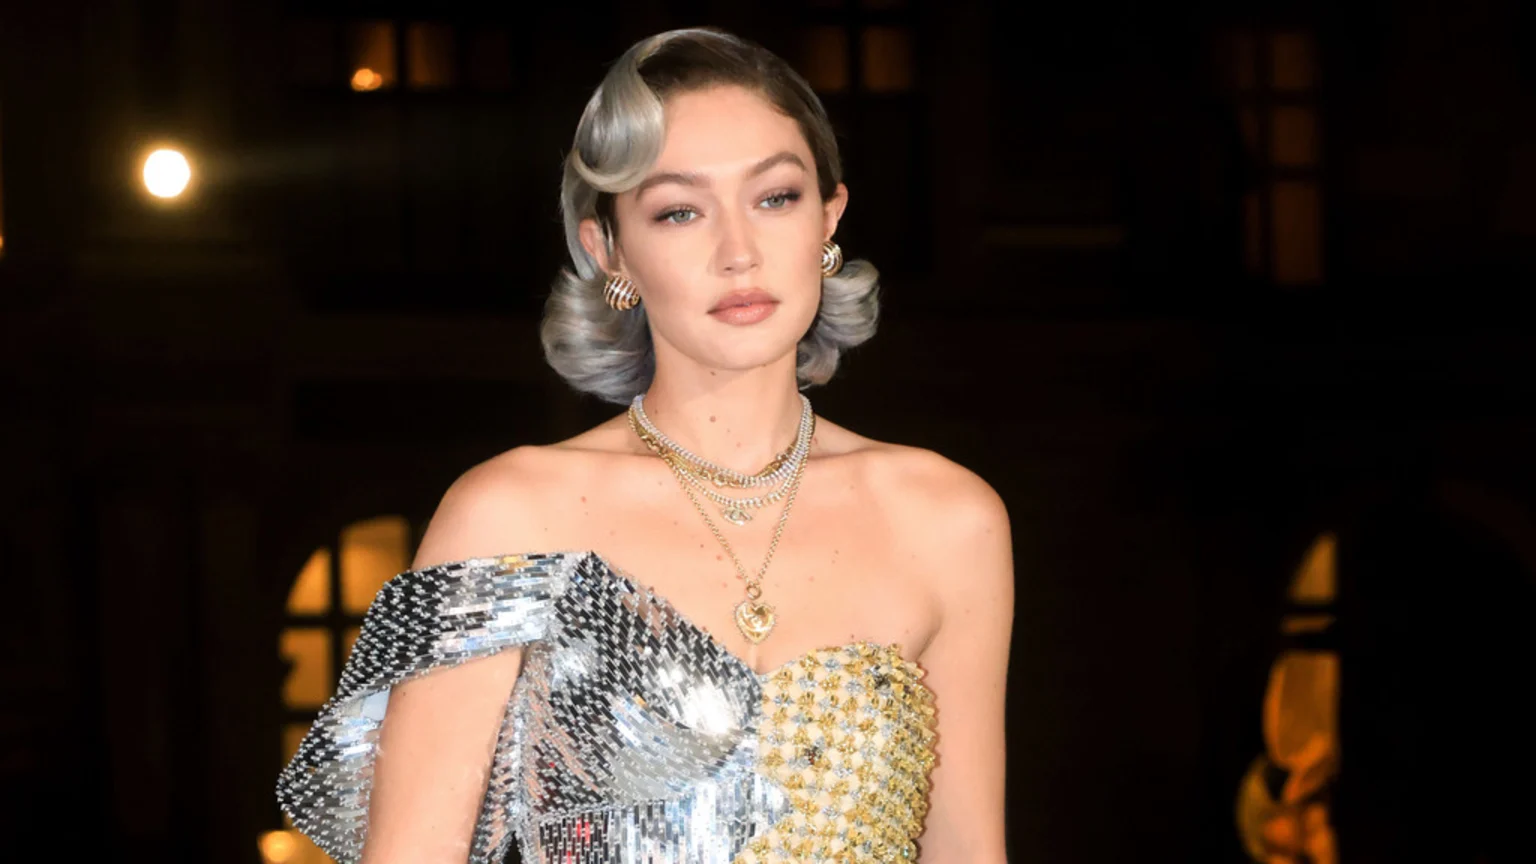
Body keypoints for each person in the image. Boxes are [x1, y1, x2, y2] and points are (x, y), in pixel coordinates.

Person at [276, 26, 1013, 864]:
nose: (739, 253)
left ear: (829, 219)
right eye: (679, 212)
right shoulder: (508, 514)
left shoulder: (949, 520)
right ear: (610, 251)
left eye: (775, 198)